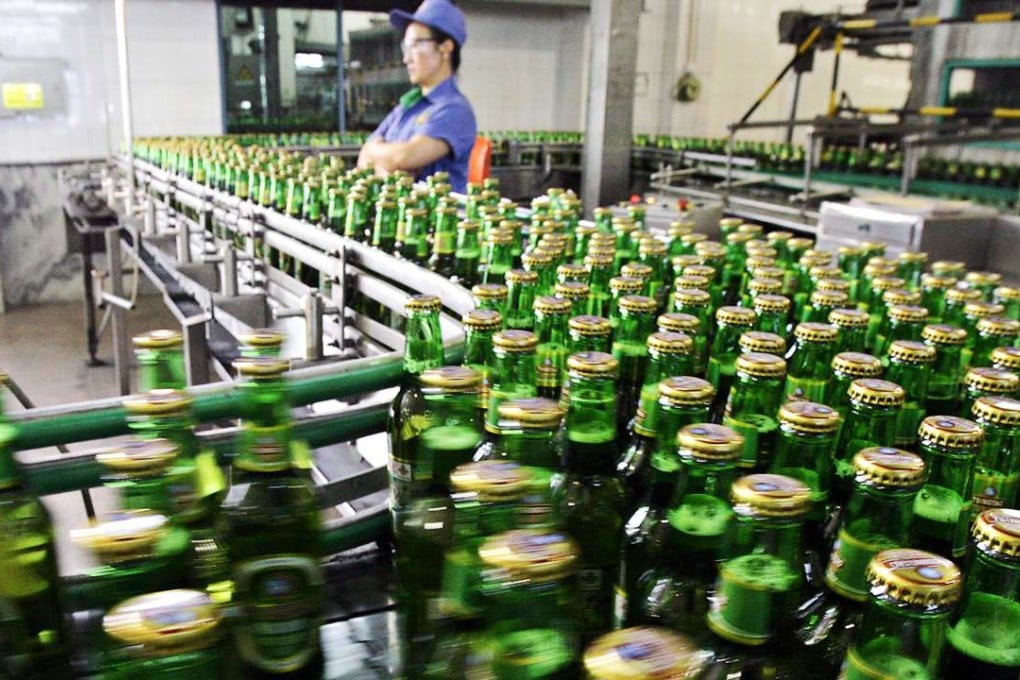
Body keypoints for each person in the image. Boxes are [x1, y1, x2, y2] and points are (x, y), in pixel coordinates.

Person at [357, 0, 477, 193]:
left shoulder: (454, 110)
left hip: (436, 220)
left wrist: (382, 156)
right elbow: (364, 156)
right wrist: (385, 165)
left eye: (416, 45)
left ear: (445, 48)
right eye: (406, 46)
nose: (406, 59)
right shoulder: (407, 107)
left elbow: (404, 157)